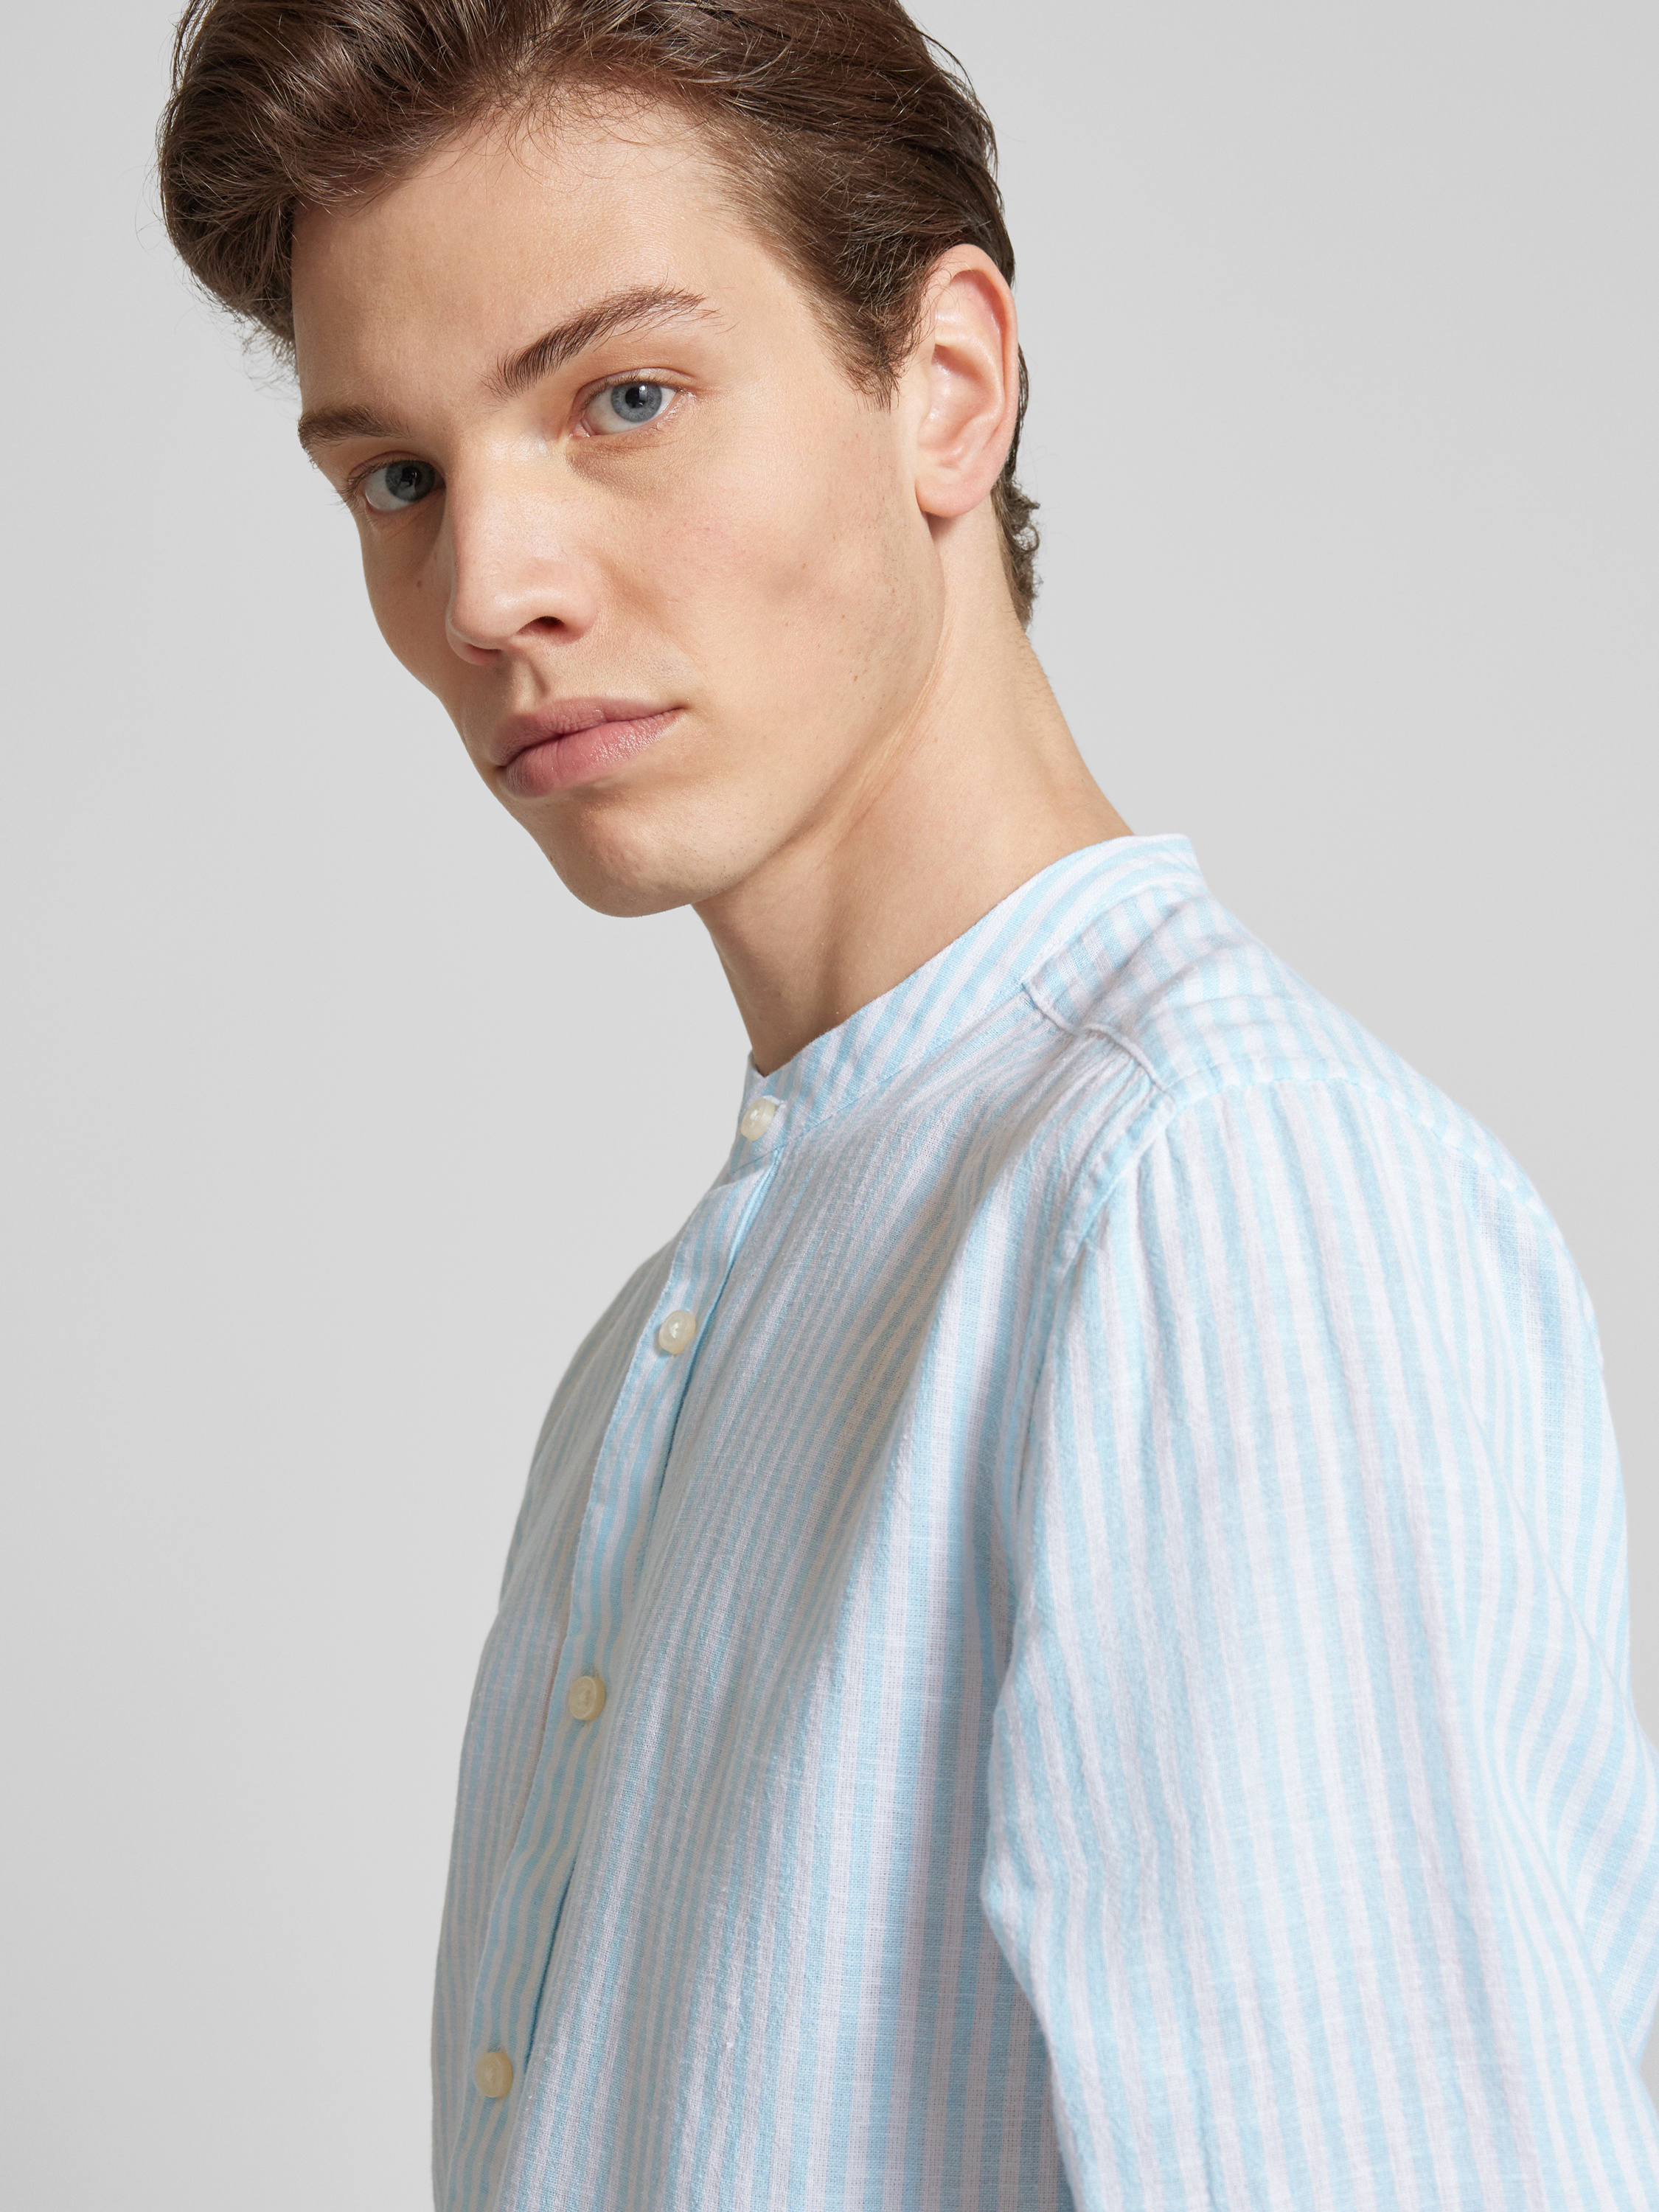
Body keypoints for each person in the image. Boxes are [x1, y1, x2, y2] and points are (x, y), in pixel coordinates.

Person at [156, 4, 1659, 2205]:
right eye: (397, 477)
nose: (488, 589)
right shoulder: (673, 1338)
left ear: (945, 385)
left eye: (625, 398)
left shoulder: (1204, 1194)